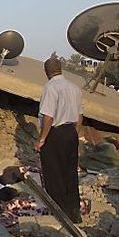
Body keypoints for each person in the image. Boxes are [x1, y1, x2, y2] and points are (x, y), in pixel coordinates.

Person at [35, 55, 84, 222]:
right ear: (61, 68)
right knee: (70, 172)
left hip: (55, 133)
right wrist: (74, 133)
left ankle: (60, 214)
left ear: (46, 71)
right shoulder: (74, 88)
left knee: (54, 173)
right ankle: (74, 211)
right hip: (71, 132)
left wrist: (42, 139)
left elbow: (48, 117)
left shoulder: (51, 88)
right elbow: (80, 116)